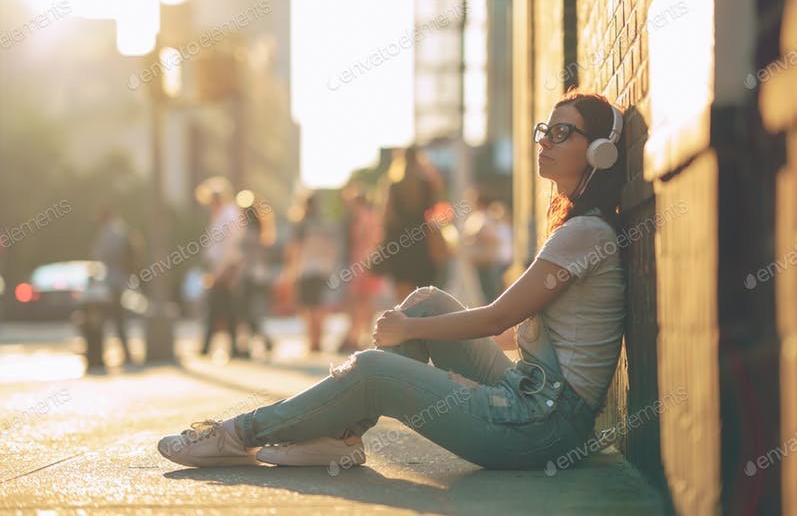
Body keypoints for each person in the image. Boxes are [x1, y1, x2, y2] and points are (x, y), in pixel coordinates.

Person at [157, 92, 627, 471]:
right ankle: (342, 437)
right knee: (423, 301)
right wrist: (418, 325)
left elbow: (498, 316)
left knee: (373, 370)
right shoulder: (578, 228)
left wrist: (410, 334)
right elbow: (511, 330)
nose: (544, 141)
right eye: (544, 130)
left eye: (562, 132)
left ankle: (237, 434)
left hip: (543, 426)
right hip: (531, 394)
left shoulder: (585, 233)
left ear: (599, 150)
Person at [379, 147, 440, 302]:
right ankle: (422, 323)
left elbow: (385, 216)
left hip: (399, 241)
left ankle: (404, 323)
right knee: (423, 292)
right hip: (422, 241)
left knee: (402, 295)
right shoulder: (426, 185)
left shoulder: (393, 185)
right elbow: (435, 207)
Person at [282, 193, 338, 353]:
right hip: (324, 269)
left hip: (306, 269)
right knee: (319, 306)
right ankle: (318, 339)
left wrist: (290, 271)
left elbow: (294, 249)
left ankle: (312, 340)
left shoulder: (301, 225)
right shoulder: (324, 224)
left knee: (307, 306)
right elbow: (332, 248)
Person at [197, 177, 246, 358]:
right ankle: (230, 346)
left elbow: (230, 246)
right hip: (221, 267)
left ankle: (219, 346)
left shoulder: (228, 215)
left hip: (226, 268)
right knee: (222, 308)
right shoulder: (221, 215)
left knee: (221, 308)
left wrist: (220, 272)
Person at [91, 209, 137, 365]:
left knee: (111, 320)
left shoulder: (110, 233)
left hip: (112, 284)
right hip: (120, 281)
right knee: (119, 320)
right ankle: (126, 354)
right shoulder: (122, 230)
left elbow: (100, 255)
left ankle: (103, 356)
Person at [339, 187, 382, 353]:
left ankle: (358, 336)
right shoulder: (371, 216)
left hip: (362, 264)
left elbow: (364, 242)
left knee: (359, 301)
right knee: (365, 301)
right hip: (368, 263)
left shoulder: (363, 217)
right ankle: (363, 335)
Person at [238, 192, 276, 355]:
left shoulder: (250, 232)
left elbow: (246, 257)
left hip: (250, 276)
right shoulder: (261, 231)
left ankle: (251, 345)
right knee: (252, 312)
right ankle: (257, 343)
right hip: (259, 276)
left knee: (247, 313)